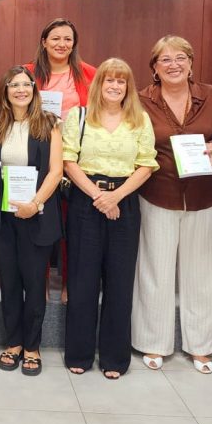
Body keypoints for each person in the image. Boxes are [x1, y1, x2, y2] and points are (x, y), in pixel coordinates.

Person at [133, 36, 212, 374]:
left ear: (191, 63)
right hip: (156, 192)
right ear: (155, 68)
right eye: (165, 60)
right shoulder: (141, 100)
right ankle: (153, 341)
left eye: (180, 58)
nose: (173, 64)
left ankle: (202, 345)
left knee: (202, 271)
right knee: (154, 269)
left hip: (202, 194)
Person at [63, 58, 157, 378]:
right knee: (82, 279)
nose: (115, 86)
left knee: (119, 282)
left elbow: (146, 164)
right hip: (85, 200)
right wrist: (99, 196)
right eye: (109, 80)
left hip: (124, 202)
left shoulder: (140, 120)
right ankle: (79, 353)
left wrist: (116, 196)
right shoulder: (78, 117)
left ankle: (115, 358)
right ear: (98, 84)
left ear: (128, 87)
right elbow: (68, 161)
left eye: (121, 81)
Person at [0, 65, 62, 377]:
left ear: (34, 89)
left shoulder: (48, 122)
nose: (21, 90)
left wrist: (35, 203)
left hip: (37, 215)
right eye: (14, 85)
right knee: (9, 282)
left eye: (26, 84)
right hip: (4, 217)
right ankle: (14, 343)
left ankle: (32, 346)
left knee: (34, 284)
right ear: (5, 92)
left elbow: (56, 171)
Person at [25, 17, 97, 304]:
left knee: (72, 226)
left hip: (75, 158)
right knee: (38, 223)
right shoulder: (28, 73)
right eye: (55, 38)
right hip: (37, 156)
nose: (61, 44)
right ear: (44, 41)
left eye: (67, 39)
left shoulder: (89, 74)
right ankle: (38, 281)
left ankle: (68, 282)